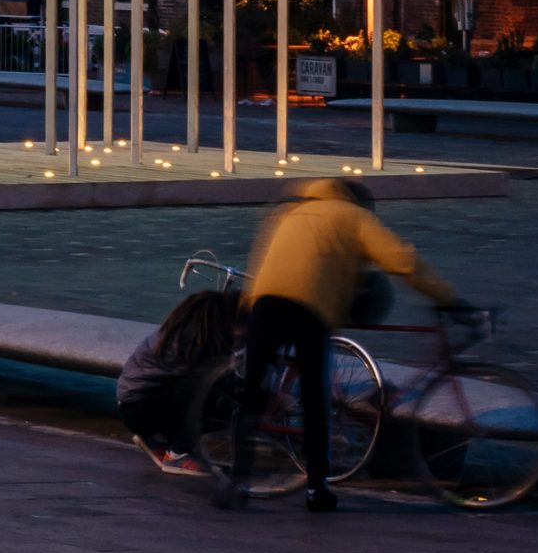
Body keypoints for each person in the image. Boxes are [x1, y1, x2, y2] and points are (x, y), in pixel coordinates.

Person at [222, 177, 469, 515]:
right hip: (309, 308)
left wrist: (246, 309)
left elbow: (261, 259)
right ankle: (316, 489)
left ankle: (236, 483)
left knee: (253, 392)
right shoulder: (354, 217)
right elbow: (403, 260)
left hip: (266, 303)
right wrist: (451, 300)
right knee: (315, 399)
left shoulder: (292, 212)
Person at [116, 290, 239, 476]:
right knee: (209, 387)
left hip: (134, 405)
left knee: (218, 392)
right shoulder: (193, 338)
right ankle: (177, 454)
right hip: (138, 409)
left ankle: (158, 440)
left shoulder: (190, 330)